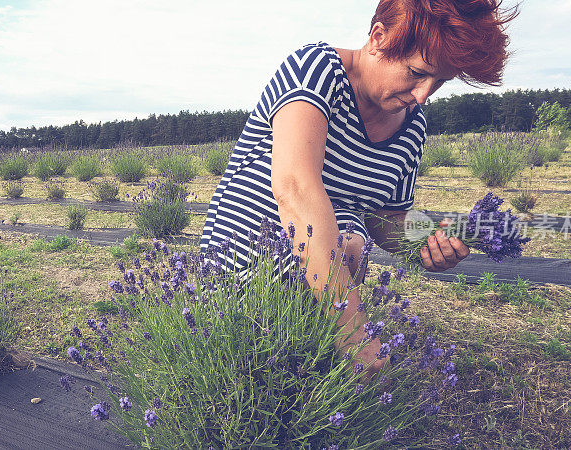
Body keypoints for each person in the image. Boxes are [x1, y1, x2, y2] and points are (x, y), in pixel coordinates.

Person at [199, 0, 517, 370]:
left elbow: (387, 218)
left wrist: (430, 240)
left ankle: (306, 357)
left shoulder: (413, 126)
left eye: (440, 82)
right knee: (344, 245)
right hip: (240, 270)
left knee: (352, 242)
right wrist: (354, 333)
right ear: (379, 38)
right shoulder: (316, 70)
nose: (422, 95)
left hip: (321, 291)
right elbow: (295, 189)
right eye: (416, 72)